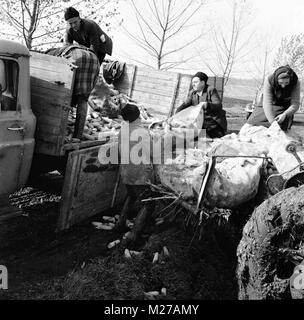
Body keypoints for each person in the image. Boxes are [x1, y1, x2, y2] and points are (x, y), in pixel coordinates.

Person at [116, 103, 155, 243]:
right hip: (139, 173)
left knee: (132, 195)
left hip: (126, 171)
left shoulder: (123, 129)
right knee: (149, 203)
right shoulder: (143, 132)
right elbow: (151, 152)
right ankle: (134, 234)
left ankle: (120, 223)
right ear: (139, 115)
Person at [46, 44, 100, 139]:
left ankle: (59, 132)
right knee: (83, 99)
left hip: (75, 56)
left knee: (63, 94)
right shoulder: (59, 49)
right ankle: (77, 136)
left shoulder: (49, 55)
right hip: (94, 58)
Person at [242, 65, 300, 132]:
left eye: (286, 83)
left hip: (283, 106)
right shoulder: (269, 80)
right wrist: (272, 122)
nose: (283, 86)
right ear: (276, 79)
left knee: (280, 129)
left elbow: (295, 104)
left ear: (291, 79)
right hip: (268, 103)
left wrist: (285, 114)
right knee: (248, 126)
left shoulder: (295, 82)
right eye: (280, 83)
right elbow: (267, 103)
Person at [175, 71, 227, 138]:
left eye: (195, 82)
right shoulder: (192, 93)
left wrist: (207, 105)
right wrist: (177, 112)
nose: (193, 84)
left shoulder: (210, 90)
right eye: (192, 82)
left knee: (211, 142)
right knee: (193, 139)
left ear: (203, 83)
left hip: (213, 122)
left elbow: (218, 105)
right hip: (201, 122)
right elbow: (185, 104)